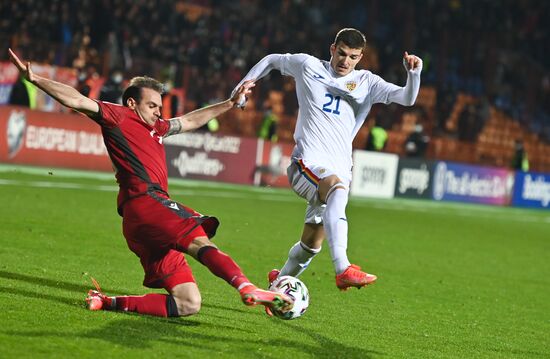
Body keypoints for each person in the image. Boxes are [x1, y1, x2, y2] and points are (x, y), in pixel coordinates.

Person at [8, 48, 293, 318]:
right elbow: (77, 99)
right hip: (147, 203)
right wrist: (36, 80)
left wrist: (229, 104)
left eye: (160, 105)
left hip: (140, 224)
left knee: (187, 303)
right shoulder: (118, 117)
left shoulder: (157, 128)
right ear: (132, 103)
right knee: (198, 238)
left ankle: (106, 302)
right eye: (152, 105)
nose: (159, 111)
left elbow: (190, 121)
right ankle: (246, 287)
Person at [233, 28, 422, 295]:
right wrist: (243, 86)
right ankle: (342, 268)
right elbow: (271, 59)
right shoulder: (308, 65)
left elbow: (407, 98)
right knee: (336, 189)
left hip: (340, 168)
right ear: (332, 48)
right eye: (342, 53)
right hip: (306, 164)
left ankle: (277, 284)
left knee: (311, 245)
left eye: (353, 57)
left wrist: (414, 73)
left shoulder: (366, 82)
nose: (345, 61)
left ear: (360, 57)